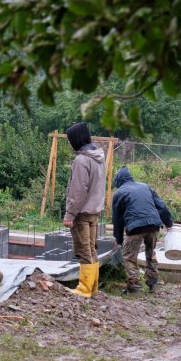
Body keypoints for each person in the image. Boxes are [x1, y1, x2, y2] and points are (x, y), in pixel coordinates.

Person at [111, 166, 173, 294]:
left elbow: (117, 219)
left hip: (135, 227)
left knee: (129, 257)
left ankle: (134, 288)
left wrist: (118, 239)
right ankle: (153, 284)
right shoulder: (145, 186)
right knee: (151, 254)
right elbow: (161, 206)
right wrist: (168, 223)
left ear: (118, 180)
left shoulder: (119, 193)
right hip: (153, 225)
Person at [62, 122, 106, 297]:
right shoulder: (98, 157)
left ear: (75, 139)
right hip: (94, 211)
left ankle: (84, 289)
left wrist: (70, 213)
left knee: (83, 250)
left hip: (81, 212)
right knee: (91, 249)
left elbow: (78, 190)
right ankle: (93, 288)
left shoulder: (82, 160)